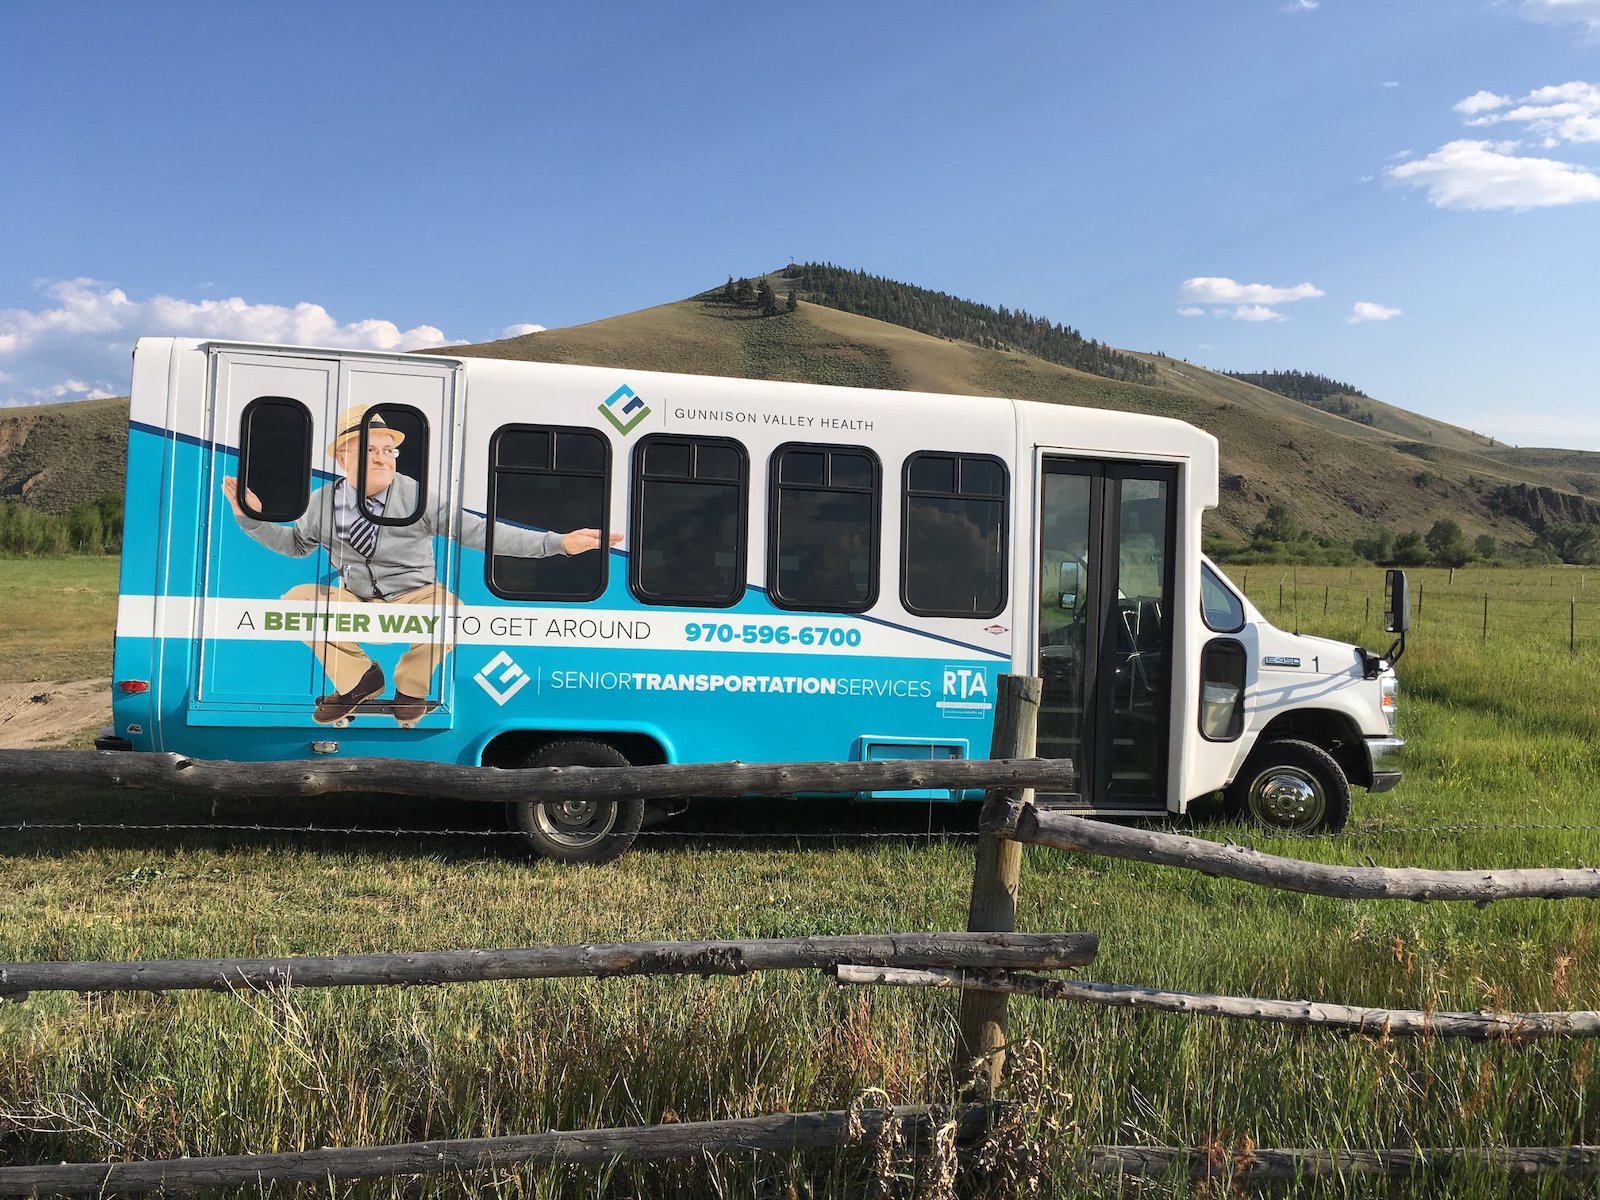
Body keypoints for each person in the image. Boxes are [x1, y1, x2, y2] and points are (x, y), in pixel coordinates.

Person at [222, 405, 620, 726]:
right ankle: (358, 679)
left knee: (450, 611)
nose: (382, 457)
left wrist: (558, 544)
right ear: (344, 457)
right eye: (370, 450)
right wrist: (251, 518)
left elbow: (478, 532)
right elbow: (295, 545)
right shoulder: (322, 501)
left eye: (388, 450)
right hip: (357, 599)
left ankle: (410, 687)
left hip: (415, 595)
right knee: (295, 601)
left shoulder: (417, 497)